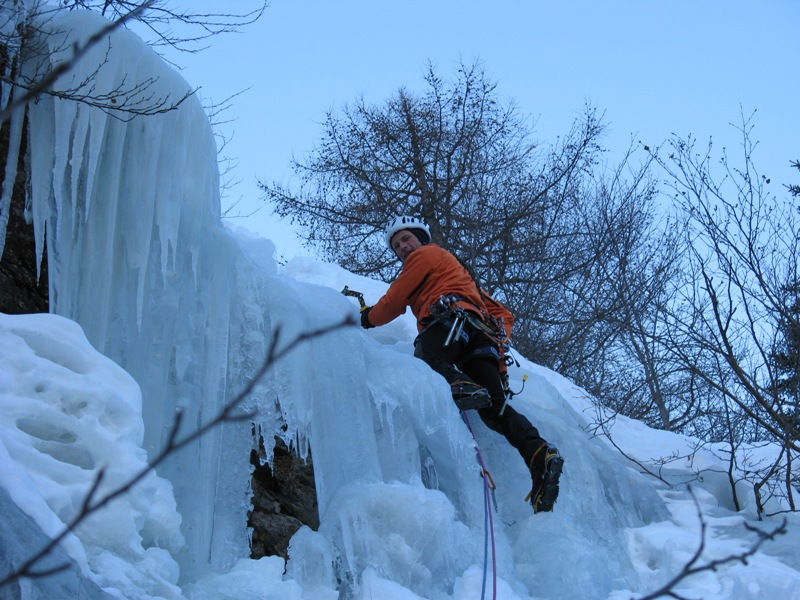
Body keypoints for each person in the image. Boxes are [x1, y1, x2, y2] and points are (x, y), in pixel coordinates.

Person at [360, 215, 564, 513]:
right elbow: (504, 314)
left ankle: (461, 386)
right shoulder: (465, 279)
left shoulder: (425, 255)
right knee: (495, 411)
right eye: (397, 245)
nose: (403, 247)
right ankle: (540, 455)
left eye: (406, 239)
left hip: (449, 324)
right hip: (479, 339)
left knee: (427, 356)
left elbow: (393, 302)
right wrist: (496, 339)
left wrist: (365, 317)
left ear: (420, 238)